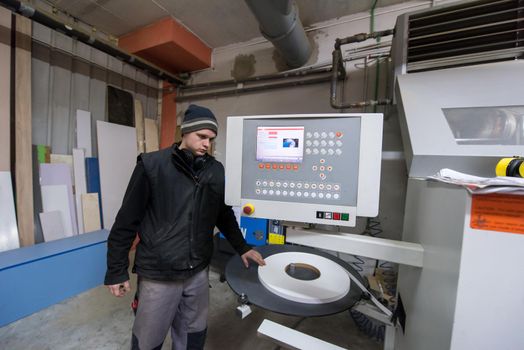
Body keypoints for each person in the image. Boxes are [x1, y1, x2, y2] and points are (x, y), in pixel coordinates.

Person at [104, 104, 265, 350]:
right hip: (159, 272)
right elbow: (126, 221)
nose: (206, 144)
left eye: (211, 139)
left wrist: (242, 247)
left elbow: (223, 214)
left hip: (198, 272)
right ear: (185, 132)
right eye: (201, 137)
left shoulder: (215, 170)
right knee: (148, 340)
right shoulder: (152, 166)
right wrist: (116, 270)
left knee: (192, 336)